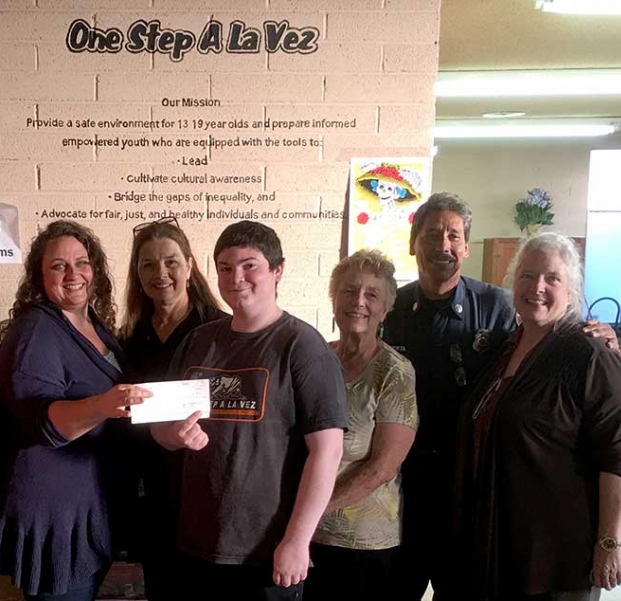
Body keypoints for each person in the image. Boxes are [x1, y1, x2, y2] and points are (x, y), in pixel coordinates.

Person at [382, 192, 619, 600]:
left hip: (473, 497)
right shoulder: (391, 308)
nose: (443, 245)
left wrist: (599, 337)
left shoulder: (497, 307)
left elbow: (547, 336)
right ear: (412, 242)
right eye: (432, 234)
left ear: (466, 247)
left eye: (454, 236)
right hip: (404, 493)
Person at [151, 221, 347, 601]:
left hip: (265, 553)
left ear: (277, 270)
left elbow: (328, 451)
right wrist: (172, 435)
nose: (235, 278)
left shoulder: (303, 347)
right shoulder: (198, 341)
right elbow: (160, 427)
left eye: (249, 265)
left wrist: (296, 541)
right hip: (195, 547)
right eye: (225, 267)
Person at [455, 233, 621, 601]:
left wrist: (609, 542)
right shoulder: (502, 348)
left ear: (571, 290)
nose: (536, 287)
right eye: (526, 276)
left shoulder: (591, 357)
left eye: (552, 278)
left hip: (556, 558)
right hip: (500, 542)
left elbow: (618, 456)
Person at [0, 220, 151, 601]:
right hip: (56, 516)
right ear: (39, 276)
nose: (73, 274)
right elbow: (40, 421)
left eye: (82, 262)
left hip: (91, 505)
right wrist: (103, 404)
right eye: (58, 266)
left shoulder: (92, 324)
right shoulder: (36, 330)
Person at [119, 217, 227, 600]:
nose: (160, 273)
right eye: (148, 264)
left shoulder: (220, 332)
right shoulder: (129, 340)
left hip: (209, 492)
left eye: (170, 262)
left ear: (190, 266)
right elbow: (123, 418)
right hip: (152, 497)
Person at [305, 249, 418, 600]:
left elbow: (382, 468)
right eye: (349, 291)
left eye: (372, 294)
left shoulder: (395, 371)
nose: (359, 301)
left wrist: (310, 512)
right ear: (334, 299)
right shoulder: (315, 359)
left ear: (385, 308)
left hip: (364, 544)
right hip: (306, 538)